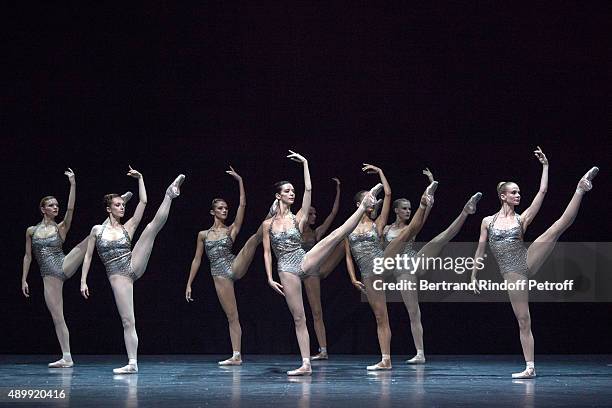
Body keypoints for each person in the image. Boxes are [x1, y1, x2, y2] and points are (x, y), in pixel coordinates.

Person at [471, 146, 598, 378]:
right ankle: (530, 367)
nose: (518, 195)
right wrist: (473, 274)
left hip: (525, 262)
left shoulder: (523, 218)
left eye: (519, 192)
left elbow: (543, 191)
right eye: (514, 192)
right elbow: (480, 249)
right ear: (503, 196)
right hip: (510, 273)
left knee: (556, 228)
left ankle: (580, 189)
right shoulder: (487, 221)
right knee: (523, 319)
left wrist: (545, 166)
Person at [262, 151, 383, 376]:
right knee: (299, 317)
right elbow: (267, 252)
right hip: (285, 268)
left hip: (303, 258)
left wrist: (306, 163)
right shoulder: (267, 224)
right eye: (287, 191)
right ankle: (306, 364)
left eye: (292, 190)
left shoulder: (297, 217)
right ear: (278, 195)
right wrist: (269, 278)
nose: (292, 193)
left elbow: (308, 190)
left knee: (335, 235)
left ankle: (363, 205)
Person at [80, 166, 185, 374]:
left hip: (131, 264)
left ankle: (169, 194)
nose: (122, 208)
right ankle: (132, 363)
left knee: (150, 229)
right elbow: (89, 255)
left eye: (123, 204)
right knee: (128, 320)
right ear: (108, 208)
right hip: (118, 276)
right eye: (118, 205)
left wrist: (141, 178)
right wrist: (83, 280)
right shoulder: (97, 230)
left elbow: (144, 202)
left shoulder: (127, 227)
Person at [185, 166, 263, 366]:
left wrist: (240, 181)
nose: (224, 210)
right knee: (232, 315)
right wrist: (189, 284)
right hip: (219, 274)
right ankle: (236, 355)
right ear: (212, 212)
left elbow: (242, 205)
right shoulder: (204, 234)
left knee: (253, 239)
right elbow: (197, 260)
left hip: (233, 264)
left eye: (226, 208)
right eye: (220, 208)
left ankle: (272, 217)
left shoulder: (231, 230)